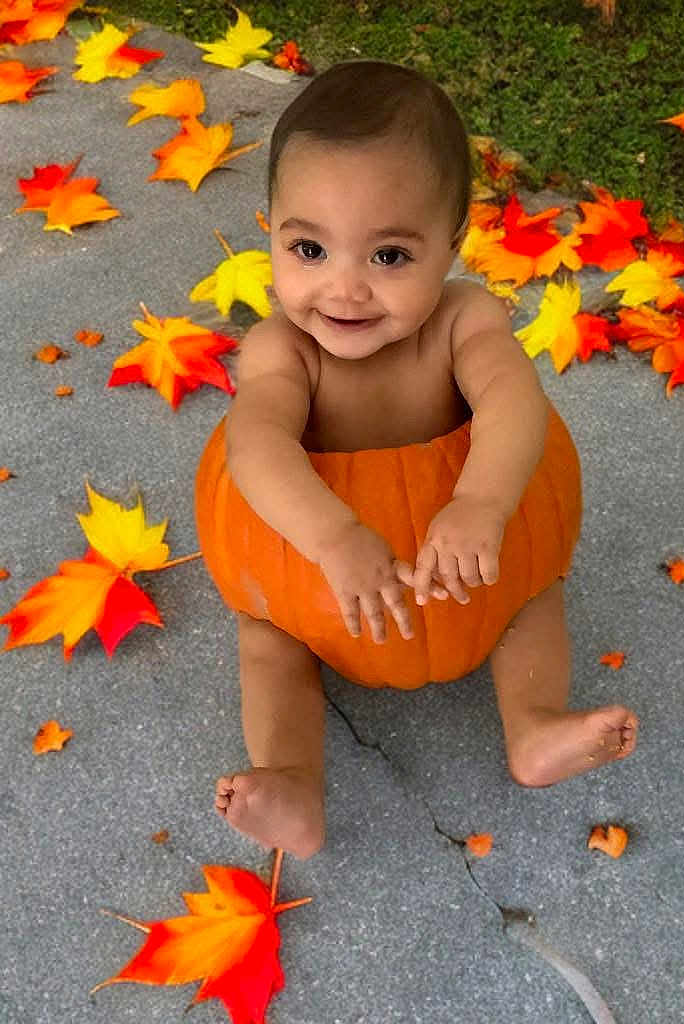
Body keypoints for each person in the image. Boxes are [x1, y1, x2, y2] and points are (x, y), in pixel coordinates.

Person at [203, 61, 638, 858]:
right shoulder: (280, 350)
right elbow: (255, 445)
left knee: (531, 595)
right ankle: (293, 777)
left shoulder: (464, 319)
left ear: (451, 245)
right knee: (267, 639)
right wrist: (332, 538)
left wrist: (481, 503)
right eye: (308, 248)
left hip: (471, 561)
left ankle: (533, 726)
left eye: (390, 257)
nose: (344, 289)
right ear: (269, 230)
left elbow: (511, 399)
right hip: (313, 582)